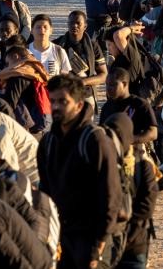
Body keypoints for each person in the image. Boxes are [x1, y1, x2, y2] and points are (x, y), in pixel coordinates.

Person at [38, 74, 123, 269]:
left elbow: (111, 194)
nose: (56, 106)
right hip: (62, 234)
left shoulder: (95, 140)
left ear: (78, 104)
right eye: (52, 101)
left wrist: (99, 243)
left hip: (92, 235)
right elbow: (45, 192)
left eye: (63, 101)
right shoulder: (47, 143)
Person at [102, 114, 158, 269]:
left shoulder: (143, 167)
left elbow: (147, 207)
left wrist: (120, 222)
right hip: (109, 244)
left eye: (117, 136)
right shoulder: (102, 165)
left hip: (135, 243)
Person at [54, 10, 108, 113]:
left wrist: (82, 82)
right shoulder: (57, 45)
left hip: (85, 94)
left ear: (85, 26)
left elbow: (104, 75)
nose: (74, 26)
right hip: (63, 94)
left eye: (78, 23)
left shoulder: (93, 46)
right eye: (71, 23)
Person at [0, 45, 51, 134]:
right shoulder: (35, 71)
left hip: (28, 127)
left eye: (7, 63)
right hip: (45, 120)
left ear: (15, 56)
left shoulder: (18, 75)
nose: (6, 67)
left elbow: (10, 103)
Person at [99, 68, 158, 148]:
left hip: (136, 151)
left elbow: (153, 133)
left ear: (124, 84)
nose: (108, 88)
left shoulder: (140, 104)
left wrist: (130, 140)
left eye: (112, 85)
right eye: (107, 85)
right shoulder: (107, 106)